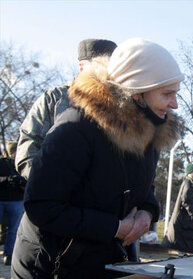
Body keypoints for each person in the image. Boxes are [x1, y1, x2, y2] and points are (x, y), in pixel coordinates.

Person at [9, 38, 182, 279]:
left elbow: (144, 193)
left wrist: (146, 214)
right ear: (137, 91)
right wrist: (114, 228)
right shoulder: (76, 128)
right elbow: (42, 205)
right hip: (49, 272)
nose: (174, 103)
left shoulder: (150, 130)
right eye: (166, 93)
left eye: (175, 92)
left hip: (98, 267)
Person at [16, 38, 118, 180]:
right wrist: (47, 183)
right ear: (82, 67)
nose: (106, 73)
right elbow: (28, 147)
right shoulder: (54, 99)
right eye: (100, 66)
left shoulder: (121, 105)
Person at [162, 163, 193, 255]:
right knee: (181, 236)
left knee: (184, 236)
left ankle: (183, 253)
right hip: (183, 216)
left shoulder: (191, 183)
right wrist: (192, 212)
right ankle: (181, 254)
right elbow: (186, 199)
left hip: (186, 216)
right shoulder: (187, 183)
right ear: (191, 172)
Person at [0, 142, 26, 266]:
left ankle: (9, 255)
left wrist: (21, 182)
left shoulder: (22, 162)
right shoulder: (2, 163)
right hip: (1, 199)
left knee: (13, 230)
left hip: (16, 201)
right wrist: (6, 179)